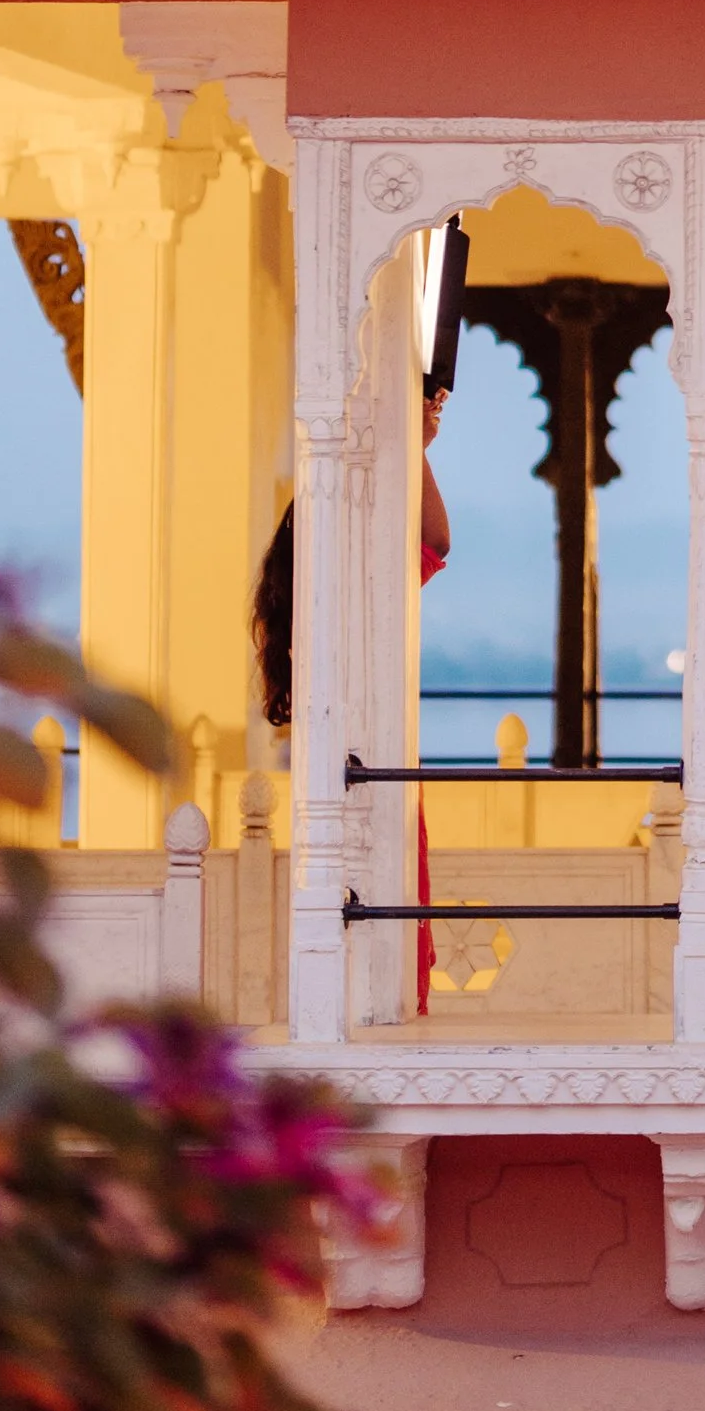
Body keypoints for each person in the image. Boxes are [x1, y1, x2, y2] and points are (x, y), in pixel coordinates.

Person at [251, 388, 450, 1012]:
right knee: (364, 947)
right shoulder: (344, 593)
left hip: (361, 778)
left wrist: (411, 449)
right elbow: (436, 544)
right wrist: (411, 448)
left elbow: (432, 546)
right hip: (361, 782)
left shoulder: (331, 592)